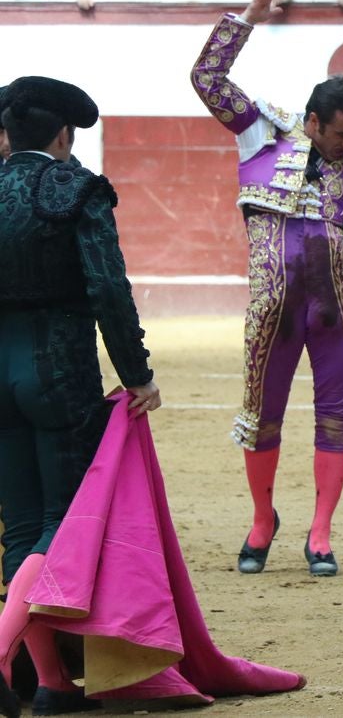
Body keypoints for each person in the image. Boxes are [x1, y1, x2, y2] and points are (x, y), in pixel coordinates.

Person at [189, 0, 343, 578]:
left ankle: (320, 533)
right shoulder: (260, 129)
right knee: (262, 414)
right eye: (339, 134)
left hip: (333, 305)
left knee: (335, 414)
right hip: (274, 308)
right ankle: (263, 522)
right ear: (312, 121)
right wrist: (247, 19)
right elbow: (207, 80)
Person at [0, 75, 159, 716]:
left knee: (21, 529)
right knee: (60, 525)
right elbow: (107, 290)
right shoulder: (78, 189)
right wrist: (137, 371)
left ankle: (53, 686)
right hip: (57, 371)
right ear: (65, 135)